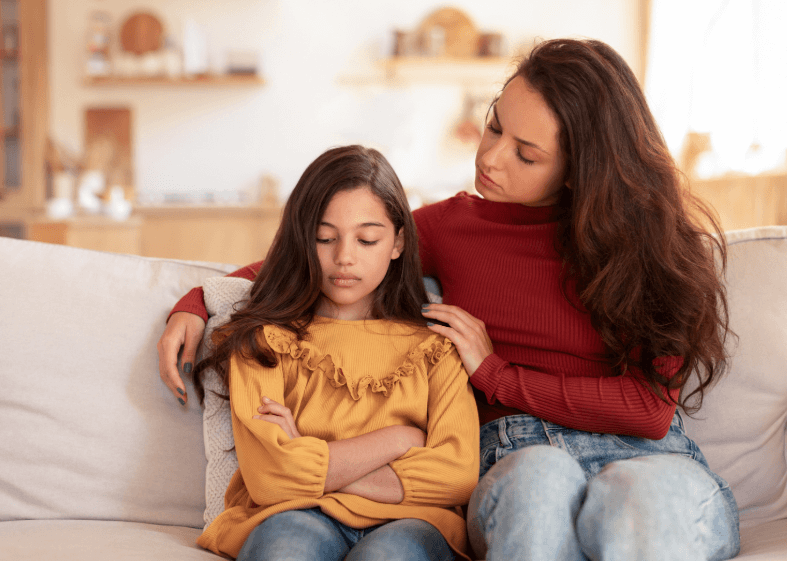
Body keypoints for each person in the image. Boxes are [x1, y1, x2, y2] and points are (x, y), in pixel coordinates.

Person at [160, 39, 740, 561]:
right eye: (495, 128)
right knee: (538, 484)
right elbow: (335, 251)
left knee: (638, 503)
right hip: (517, 455)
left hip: (645, 457)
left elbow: (648, 410)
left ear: (579, 169)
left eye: (526, 154)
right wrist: (198, 301)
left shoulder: (654, 248)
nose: (490, 158)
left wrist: (496, 374)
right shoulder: (454, 227)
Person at [191, 145, 479, 561]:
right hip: (292, 514)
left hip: (412, 522)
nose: (344, 257)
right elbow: (272, 480)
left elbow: (456, 475)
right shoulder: (264, 343)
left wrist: (310, 459)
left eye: (367, 239)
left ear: (397, 241)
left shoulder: (437, 348)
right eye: (325, 238)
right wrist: (399, 440)